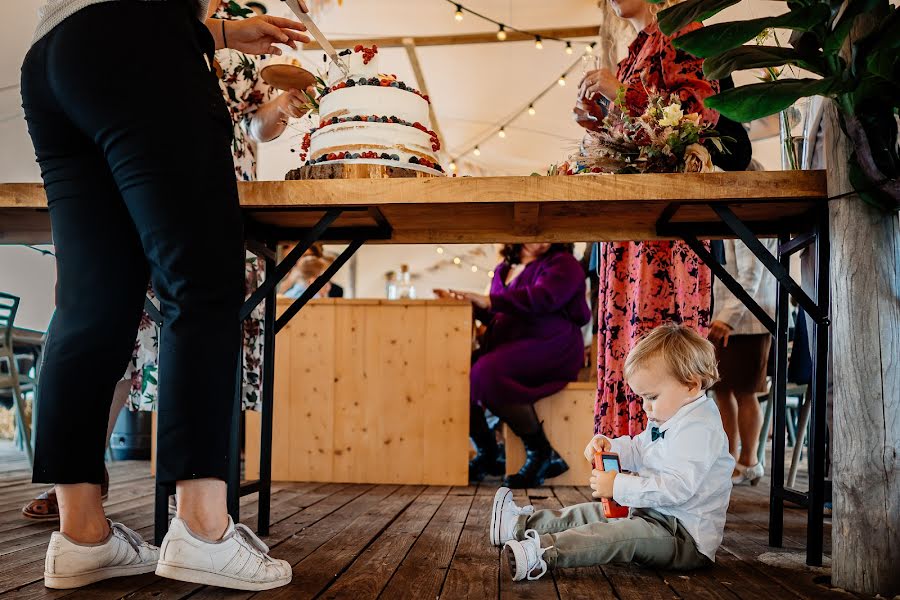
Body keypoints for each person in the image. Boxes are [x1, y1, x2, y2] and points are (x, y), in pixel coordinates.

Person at [22, 0, 311, 591]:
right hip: (138, 37)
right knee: (200, 281)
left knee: (91, 302)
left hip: (54, 54)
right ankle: (203, 531)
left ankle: (82, 538)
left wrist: (223, 30)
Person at [488, 324, 734, 581]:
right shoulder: (670, 413)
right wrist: (611, 447)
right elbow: (641, 448)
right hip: (651, 512)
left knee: (615, 535)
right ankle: (516, 527)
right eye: (642, 398)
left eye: (651, 397)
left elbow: (677, 489)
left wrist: (618, 485)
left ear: (691, 386)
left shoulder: (700, 430)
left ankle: (541, 552)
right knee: (590, 513)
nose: (645, 407)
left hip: (683, 537)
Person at [578, 0, 718, 439]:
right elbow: (632, 135)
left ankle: (667, 479)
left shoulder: (685, 32)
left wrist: (620, 93)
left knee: (661, 348)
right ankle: (623, 479)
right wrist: (597, 121)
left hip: (668, 226)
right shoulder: (634, 52)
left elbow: (699, 115)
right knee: (626, 347)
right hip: (631, 223)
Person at [435, 243, 591, 488]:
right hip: (510, 346)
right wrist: (471, 305)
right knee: (456, 375)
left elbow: (542, 299)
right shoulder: (502, 269)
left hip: (551, 345)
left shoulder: (563, 264)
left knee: (487, 373)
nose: (539, 240)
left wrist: (489, 301)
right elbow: (500, 314)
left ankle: (541, 453)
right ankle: (488, 453)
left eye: (546, 235)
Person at [709, 162, 777, 486]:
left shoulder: (752, 211)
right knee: (722, 390)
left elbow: (752, 274)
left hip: (749, 318)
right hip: (723, 316)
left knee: (746, 391)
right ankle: (731, 459)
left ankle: (750, 461)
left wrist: (728, 317)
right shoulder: (728, 209)